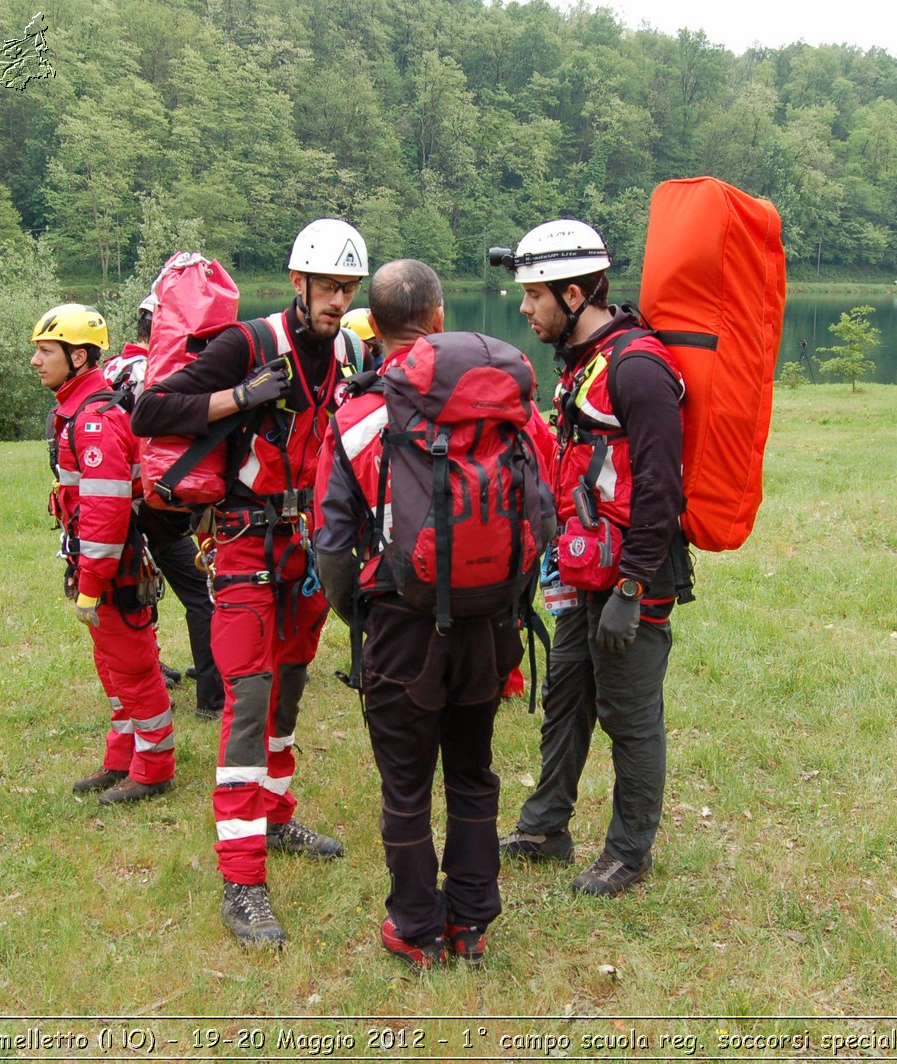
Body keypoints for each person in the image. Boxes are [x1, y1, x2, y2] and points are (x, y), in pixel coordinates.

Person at [130, 219, 368, 948]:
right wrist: (240, 395)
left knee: (291, 685)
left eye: (348, 289)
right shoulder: (247, 344)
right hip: (241, 540)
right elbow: (149, 410)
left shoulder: (351, 348)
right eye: (328, 287)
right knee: (250, 697)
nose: (337, 301)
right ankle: (242, 878)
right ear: (297, 283)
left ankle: (276, 809)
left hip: (309, 545)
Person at [314, 259, 555, 968]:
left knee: (406, 783)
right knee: (474, 771)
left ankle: (416, 927)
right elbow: (541, 514)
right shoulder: (513, 410)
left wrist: (352, 615)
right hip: (490, 625)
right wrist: (511, 604)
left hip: (398, 627)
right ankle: (472, 923)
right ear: (439, 320)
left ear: (374, 327)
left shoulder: (356, 416)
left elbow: (331, 545)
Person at [496, 219, 690, 896]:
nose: (524, 308)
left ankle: (629, 854)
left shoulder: (638, 369)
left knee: (629, 716)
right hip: (581, 569)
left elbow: (663, 489)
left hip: (635, 574)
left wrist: (632, 589)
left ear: (575, 294)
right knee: (566, 695)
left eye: (534, 296)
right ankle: (546, 827)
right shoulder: (586, 360)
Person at [32, 303, 177, 807]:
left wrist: (90, 584)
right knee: (112, 665)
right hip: (97, 564)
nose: (36, 361)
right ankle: (123, 755)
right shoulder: (77, 410)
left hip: (113, 567)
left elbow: (106, 513)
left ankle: (155, 765)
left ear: (77, 357)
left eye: (45, 351)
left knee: (134, 665)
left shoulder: (92, 422)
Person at [123, 293, 225, 721]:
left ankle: (153, 668)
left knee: (139, 597)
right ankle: (211, 696)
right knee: (201, 599)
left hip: (121, 508)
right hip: (158, 507)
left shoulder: (117, 368)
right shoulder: (167, 374)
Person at [340, 307, 382, 373]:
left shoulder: (383, 379)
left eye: (347, 346)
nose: (341, 352)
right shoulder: (346, 371)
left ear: (369, 347)